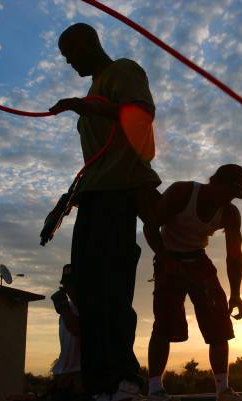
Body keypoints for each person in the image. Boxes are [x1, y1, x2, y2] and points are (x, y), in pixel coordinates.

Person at [49, 22, 161, 401]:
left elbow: (142, 114)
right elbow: (98, 157)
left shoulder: (122, 71)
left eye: (70, 53)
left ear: (89, 43)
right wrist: (70, 197)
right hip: (95, 194)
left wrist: (86, 106)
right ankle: (101, 386)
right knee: (87, 291)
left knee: (111, 290)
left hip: (118, 192)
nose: (68, 62)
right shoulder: (94, 89)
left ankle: (126, 381)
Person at [143, 164, 242, 401]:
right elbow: (150, 225)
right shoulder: (182, 193)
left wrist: (235, 294)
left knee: (219, 322)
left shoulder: (230, 213)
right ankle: (154, 390)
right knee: (164, 322)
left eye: (234, 196)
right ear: (214, 181)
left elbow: (234, 255)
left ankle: (223, 390)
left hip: (198, 261)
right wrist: (163, 256)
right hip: (168, 256)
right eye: (227, 192)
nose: (228, 199)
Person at [49, 264, 84, 401]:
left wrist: (62, 307)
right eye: (68, 285)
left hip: (80, 379)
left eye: (74, 285)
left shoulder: (90, 307)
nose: (71, 290)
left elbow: (75, 328)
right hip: (63, 377)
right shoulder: (66, 308)